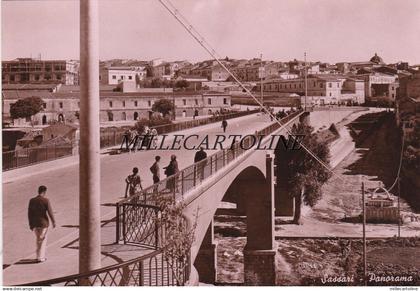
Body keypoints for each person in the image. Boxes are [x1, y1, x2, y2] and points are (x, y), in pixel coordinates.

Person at [28, 185, 56, 263]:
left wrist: (31, 224)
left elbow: (29, 213)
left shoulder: (32, 200)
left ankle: (38, 256)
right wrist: (53, 221)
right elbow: (50, 212)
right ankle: (41, 257)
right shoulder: (46, 200)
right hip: (44, 223)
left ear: (38, 191)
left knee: (38, 240)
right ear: (44, 192)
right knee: (42, 240)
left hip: (35, 224)